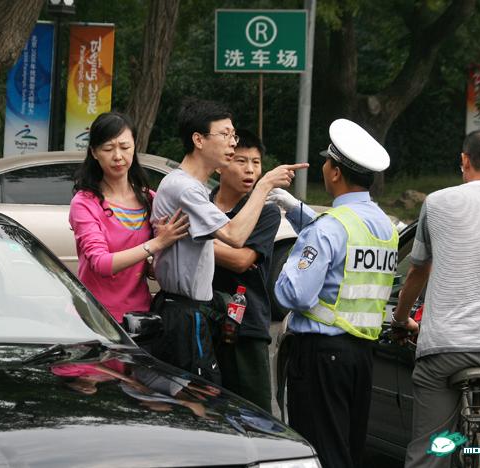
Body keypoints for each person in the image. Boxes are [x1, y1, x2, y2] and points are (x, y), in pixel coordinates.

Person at [392, 129, 480, 468]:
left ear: (464, 161)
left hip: (444, 349)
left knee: (432, 448)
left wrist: (401, 319)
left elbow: (418, 271)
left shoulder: (437, 202)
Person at [149, 97, 307, 383]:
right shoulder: (186, 188)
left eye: (233, 135)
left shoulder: (189, 186)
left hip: (189, 311)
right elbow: (235, 236)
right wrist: (265, 186)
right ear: (198, 139)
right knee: (196, 398)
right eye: (225, 134)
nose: (232, 143)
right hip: (184, 314)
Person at [273, 118, 398, 468]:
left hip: (321, 356)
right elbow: (341, 239)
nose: (325, 168)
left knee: (321, 451)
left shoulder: (330, 227)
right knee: (347, 448)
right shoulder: (384, 225)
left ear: (336, 173)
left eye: (327, 162)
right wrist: (296, 210)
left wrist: (286, 264)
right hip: (361, 355)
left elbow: (294, 295)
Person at [69, 111, 189, 323]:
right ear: (94, 152)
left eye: (125, 147)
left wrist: (155, 263)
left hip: (140, 316)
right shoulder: (84, 203)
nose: (118, 156)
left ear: (135, 146)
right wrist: (157, 243)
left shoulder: (148, 198)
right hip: (97, 317)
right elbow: (101, 263)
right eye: (108, 149)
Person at [209, 128, 281, 413]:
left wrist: (194, 242)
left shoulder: (266, 212)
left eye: (256, 162)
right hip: (203, 322)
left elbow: (241, 261)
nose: (250, 170)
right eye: (241, 161)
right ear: (220, 164)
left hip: (246, 328)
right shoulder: (201, 204)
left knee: (254, 416)